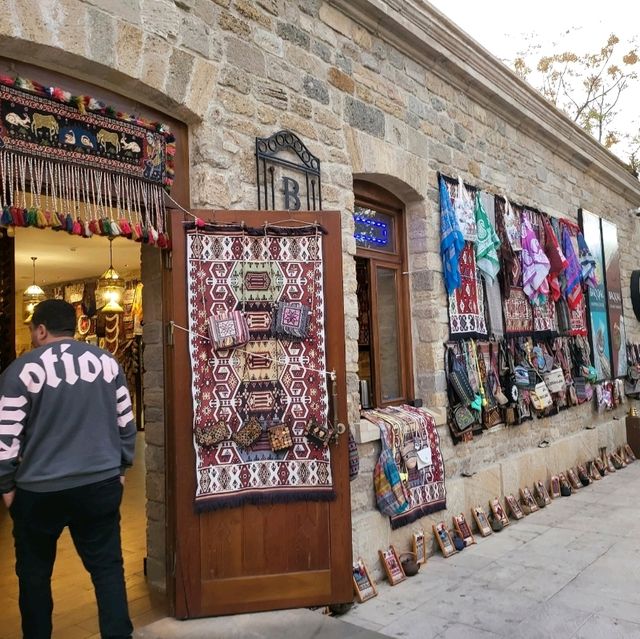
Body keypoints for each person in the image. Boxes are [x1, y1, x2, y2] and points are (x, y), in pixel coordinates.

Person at [0, 299, 136, 639]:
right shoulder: (107, 363)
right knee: (107, 571)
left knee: (34, 578)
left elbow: (5, 438)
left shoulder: (20, 370)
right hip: (99, 484)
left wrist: (6, 488)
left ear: (41, 329)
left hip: (38, 490)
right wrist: (121, 467)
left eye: (32, 330)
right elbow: (127, 424)